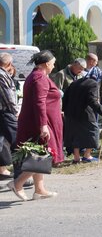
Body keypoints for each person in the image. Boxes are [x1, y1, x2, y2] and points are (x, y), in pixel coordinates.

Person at [8, 50, 62, 201]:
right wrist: (43, 125)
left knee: (39, 154)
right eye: (52, 63)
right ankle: (17, 183)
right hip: (38, 124)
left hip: (36, 122)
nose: (54, 65)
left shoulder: (37, 76)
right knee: (42, 155)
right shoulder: (39, 77)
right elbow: (40, 102)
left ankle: (39, 189)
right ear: (46, 64)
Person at [62, 73, 102, 163]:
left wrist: (64, 110)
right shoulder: (93, 84)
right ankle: (87, 155)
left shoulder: (74, 83)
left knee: (75, 135)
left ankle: (76, 157)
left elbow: (65, 97)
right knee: (93, 132)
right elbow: (92, 101)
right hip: (85, 114)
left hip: (71, 113)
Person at [0, 53, 18, 180]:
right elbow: (8, 97)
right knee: (16, 142)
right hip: (6, 113)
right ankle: (20, 175)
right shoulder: (1, 75)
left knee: (2, 141)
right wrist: (15, 111)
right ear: (8, 64)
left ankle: (2, 170)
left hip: (3, 113)